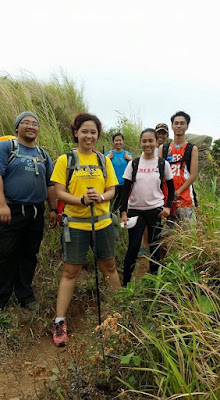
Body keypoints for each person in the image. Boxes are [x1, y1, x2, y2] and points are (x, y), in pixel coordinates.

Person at [51, 113, 121, 347]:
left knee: (109, 267)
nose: (89, 136)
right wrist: (80, 200)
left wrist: (99, 196)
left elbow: (112, 190)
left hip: (102, 223)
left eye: (93, 132)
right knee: (71, 271)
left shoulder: (104, 160)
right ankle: (60, 321)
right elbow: (59, 191)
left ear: (97, 135)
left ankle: (121, 314)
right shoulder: (65, 160)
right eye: (84, 131)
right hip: (76, 225)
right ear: (76, 133)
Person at [0, 111, 57, 312]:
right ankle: (2, 297)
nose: (31, 126)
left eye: (35, 123)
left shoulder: (43, 154)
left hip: (35, 212)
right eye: (26, 122)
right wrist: (2, 205)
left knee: (29, 254)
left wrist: (53, 209)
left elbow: (50, 184)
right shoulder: (7, 147)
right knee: (5, 254)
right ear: (17, 127)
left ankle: (24, 295)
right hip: (11, 210)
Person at [120, 128, 174, 286]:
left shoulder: (162, 164)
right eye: (144, 141)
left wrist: (168, 207)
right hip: (135, 210)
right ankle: (126, 284)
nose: (147, 144)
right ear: (140, 142)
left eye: (151, 140)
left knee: (154, 246)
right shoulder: (134, 163)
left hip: (155, 211)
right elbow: (125, 190)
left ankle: (155, 283)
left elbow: (171, 189)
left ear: (157, 142)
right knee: (134, 246)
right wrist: (123, 212)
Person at [158, 111, 198, 224]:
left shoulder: (192, 148)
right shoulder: (164, 148)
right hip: (166, 200)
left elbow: (193, 175)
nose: (179, 126)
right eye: (176, 123)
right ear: (172, 126)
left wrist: (177, 192)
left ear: (187, 126)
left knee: (188, 236)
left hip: (185, 200)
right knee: (166, 237)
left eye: (182, 123)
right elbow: (159, 174)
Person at [139, 123, 170, 255]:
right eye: (159, 133)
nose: (161, 136)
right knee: (150, 220)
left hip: (166, 187)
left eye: (163, 133)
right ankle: (146, 245)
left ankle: (161, 250)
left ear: (167, 135)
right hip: (153, 190)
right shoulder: (149, 150)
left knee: (164, 221)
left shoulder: (169, 149)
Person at [105, 133, 132, 212]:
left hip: (124, 183)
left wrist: (130, 159)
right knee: (113, 204)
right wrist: (106, 158)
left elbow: (134, 167)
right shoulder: (109, 154)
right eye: (116, 140)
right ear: (113, 142)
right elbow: (101, 166)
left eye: (120, 140)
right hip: (112, 184)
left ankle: (122, 220)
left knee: (123, 204)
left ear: (123, 142)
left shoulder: (127, 154)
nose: (118, 142)